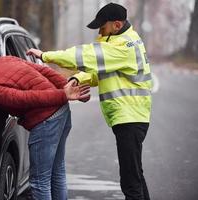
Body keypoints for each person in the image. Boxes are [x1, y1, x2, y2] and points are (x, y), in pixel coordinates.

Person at [27, 2, 152, 200]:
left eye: (103, 28)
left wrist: (45, 55)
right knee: (134, 174)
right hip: (132, 116)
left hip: (130, 118)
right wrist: (78, 78)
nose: (100, 34)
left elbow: (85, 55)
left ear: (117, 25)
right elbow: (102, 72)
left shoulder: (123, 47)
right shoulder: (126, 41)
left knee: (130, 180)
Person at [0, 53, 90, 200]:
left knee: (40, 181)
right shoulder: (4, 59)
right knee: (56, 171)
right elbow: (43, 70)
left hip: (46, 119)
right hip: (62, 111)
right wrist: (67, 87)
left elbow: (23, 99)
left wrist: (64, 94)